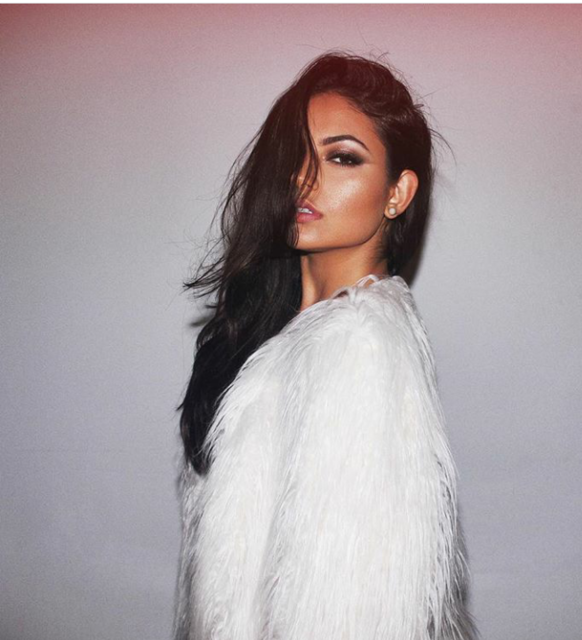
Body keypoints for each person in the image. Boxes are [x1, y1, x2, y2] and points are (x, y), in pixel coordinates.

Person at [173, 50, 476, 640]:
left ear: (397, 193)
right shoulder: (279, 338)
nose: (302, 178)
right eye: (296, 154)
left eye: (342, 157)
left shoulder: (359, 344)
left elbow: (345, 611)